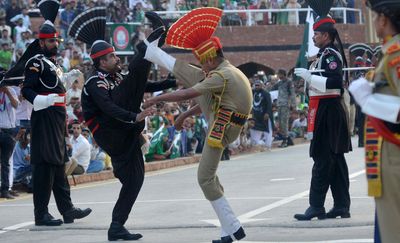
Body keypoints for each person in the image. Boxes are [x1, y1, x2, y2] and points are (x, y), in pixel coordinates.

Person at [142, 8, 251, 243]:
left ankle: (234, 226)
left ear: (211, 57)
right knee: (211, 178)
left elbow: (190, 93)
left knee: (204, 178)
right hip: (226, 120)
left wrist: (157, 98)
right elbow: (207, 101)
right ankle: (228, 232)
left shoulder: (220, 76)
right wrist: (183, 117)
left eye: (203, 62)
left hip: (222, 128)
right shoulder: (227, 72)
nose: (203, 66)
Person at [70, 9, 177, 241]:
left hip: (125, 132)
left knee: (135, 180)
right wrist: (135, 117)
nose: (117, 59)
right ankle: (148, 45)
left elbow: (140, 86)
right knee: (135, 72)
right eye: (113, 57)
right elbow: (109, 108)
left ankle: (116, 226)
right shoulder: (93, 83)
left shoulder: (115, 77)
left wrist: (171, 81)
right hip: (111, 131)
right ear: (101, 61)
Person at [349, 1, 400, 242]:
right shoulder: (394, 50)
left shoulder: (399, 54)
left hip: (397, 150)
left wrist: (369, 101)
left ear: (383, 19)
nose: (374, 22)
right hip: (391, 149)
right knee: (397, 229)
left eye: (375, 17)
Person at [21, 20, 91, 226]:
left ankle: (67, 210)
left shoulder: (54, 64)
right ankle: (41, 214)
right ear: (41, 42)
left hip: (59, 117)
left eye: (56, 40)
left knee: (59, 164)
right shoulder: (35, 62)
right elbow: (27, 90)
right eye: (51, 41)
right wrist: (42, 100)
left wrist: (68, 79)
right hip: (44, 116)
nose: (55, 43)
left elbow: (57, 88)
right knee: (45, 164)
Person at [293, 2, 352, 220]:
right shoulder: (324, 54)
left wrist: (310, 77)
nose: (314, 37)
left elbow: (336, 81)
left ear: (326, 36)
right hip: (324, 110)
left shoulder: (330, 55)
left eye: (316, 34)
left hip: (330, 112)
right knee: (335, 160)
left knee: (323, 158)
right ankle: (341, 205)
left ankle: (316, 205)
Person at [0, 86, 18, 199]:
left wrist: (7, 92)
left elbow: (16, 105)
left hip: (8, 131)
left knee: (6, 162)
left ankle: (5, 189)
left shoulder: (10, 90)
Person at [272, 68, 295, 147]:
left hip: (286, 104)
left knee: (284, 123)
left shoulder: (289, 82)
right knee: (281, 124)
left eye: (279, 74)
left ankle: (285, 141)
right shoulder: (279, 83)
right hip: (279, 104)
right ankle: (289, 140)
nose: (278, 76)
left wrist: (293, 104)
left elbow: (292, 94)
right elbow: (271, 88)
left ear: (283, 74)